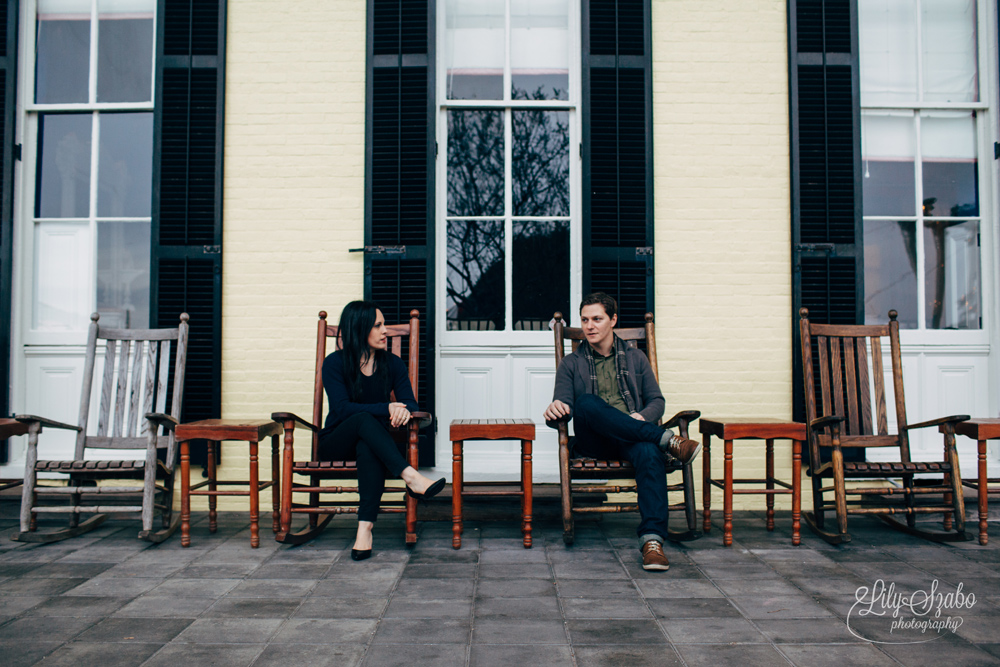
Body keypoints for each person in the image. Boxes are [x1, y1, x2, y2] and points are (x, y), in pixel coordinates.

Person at [544, 292, 701, 571]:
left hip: (632, 438)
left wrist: (640, 417)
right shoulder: (571, 363)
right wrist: (556, 407)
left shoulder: (635, 358)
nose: (589, 326)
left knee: (648, 451)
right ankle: (668, 439)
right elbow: (566, 405)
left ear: (613, 320)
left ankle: (652, 543)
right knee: (587, 403)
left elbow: (657, 401)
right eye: (584, 320)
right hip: (594, 441)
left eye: (597, 319)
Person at [319, 300, 445, 561]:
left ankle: (364, 529)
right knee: (365, 418)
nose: (385, 330)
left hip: (374, 445)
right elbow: (342, 409)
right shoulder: (334, 363)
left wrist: (403, 410)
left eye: (384, 324)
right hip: (336, 441)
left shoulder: (393, 364)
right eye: (378, 325)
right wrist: (388, 407)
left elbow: (410, 404)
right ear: (359, 329)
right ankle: (411, 477)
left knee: (369, 446)